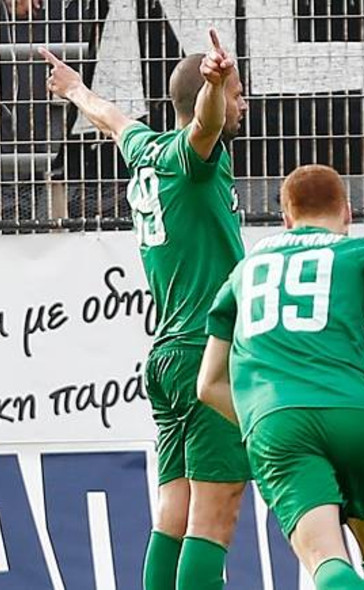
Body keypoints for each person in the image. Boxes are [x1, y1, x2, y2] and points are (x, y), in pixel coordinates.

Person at [39, 30, 250, 590]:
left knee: (174, 513)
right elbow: (204, 124)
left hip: (168, 357)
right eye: (238, 95)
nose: (243, 104)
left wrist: (75, 88)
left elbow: (111, 119)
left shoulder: (147, 150)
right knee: (216, 513)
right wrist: (214, 88)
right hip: (207, 353)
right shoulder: (190, 156)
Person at [197, 164, 364, 590]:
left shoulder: (246, 270)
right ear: (348, 212)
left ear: (286, 218)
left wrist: (260, 421)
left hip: (278, 421)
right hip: (353, 414)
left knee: (326, 560)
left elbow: (208, 385)